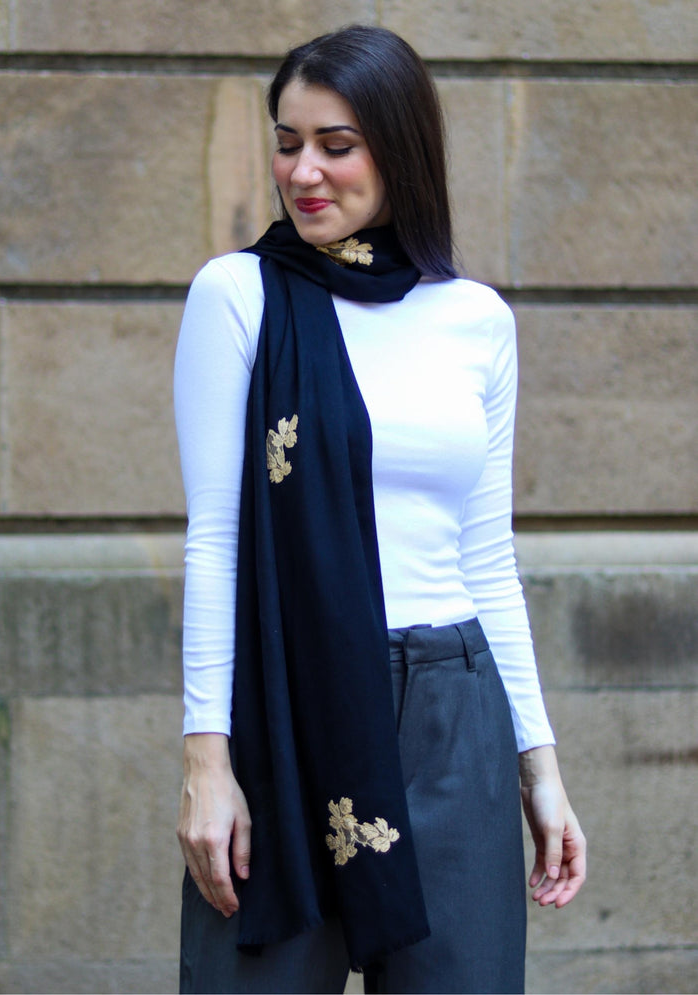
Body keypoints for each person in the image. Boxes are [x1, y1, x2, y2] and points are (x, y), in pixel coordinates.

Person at [174, 24, 586, 995]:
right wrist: (206, 759)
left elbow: (487, 557)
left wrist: (540, 765)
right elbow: (216, 538)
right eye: (287, 141)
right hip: (286, 709)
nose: (303, 171)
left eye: (336, 143)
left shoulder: (474, 320)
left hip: (452, 712)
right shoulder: (238, 296)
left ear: (398, 149)